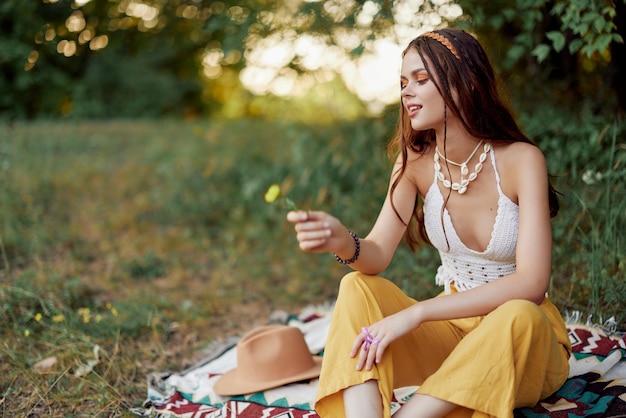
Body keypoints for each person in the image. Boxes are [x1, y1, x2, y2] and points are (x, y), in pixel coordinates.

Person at [286, 28, 571, 418]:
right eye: (403, 83)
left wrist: (417, 313)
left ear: (465, 82)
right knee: (356, 287)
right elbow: (376, 256)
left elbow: (532, 285)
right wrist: (341, 241)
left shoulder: (522, 160)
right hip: (453, 337)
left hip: (522, 342)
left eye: (421, 79)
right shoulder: (414, 164)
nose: (406, 92)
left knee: (518, 312)